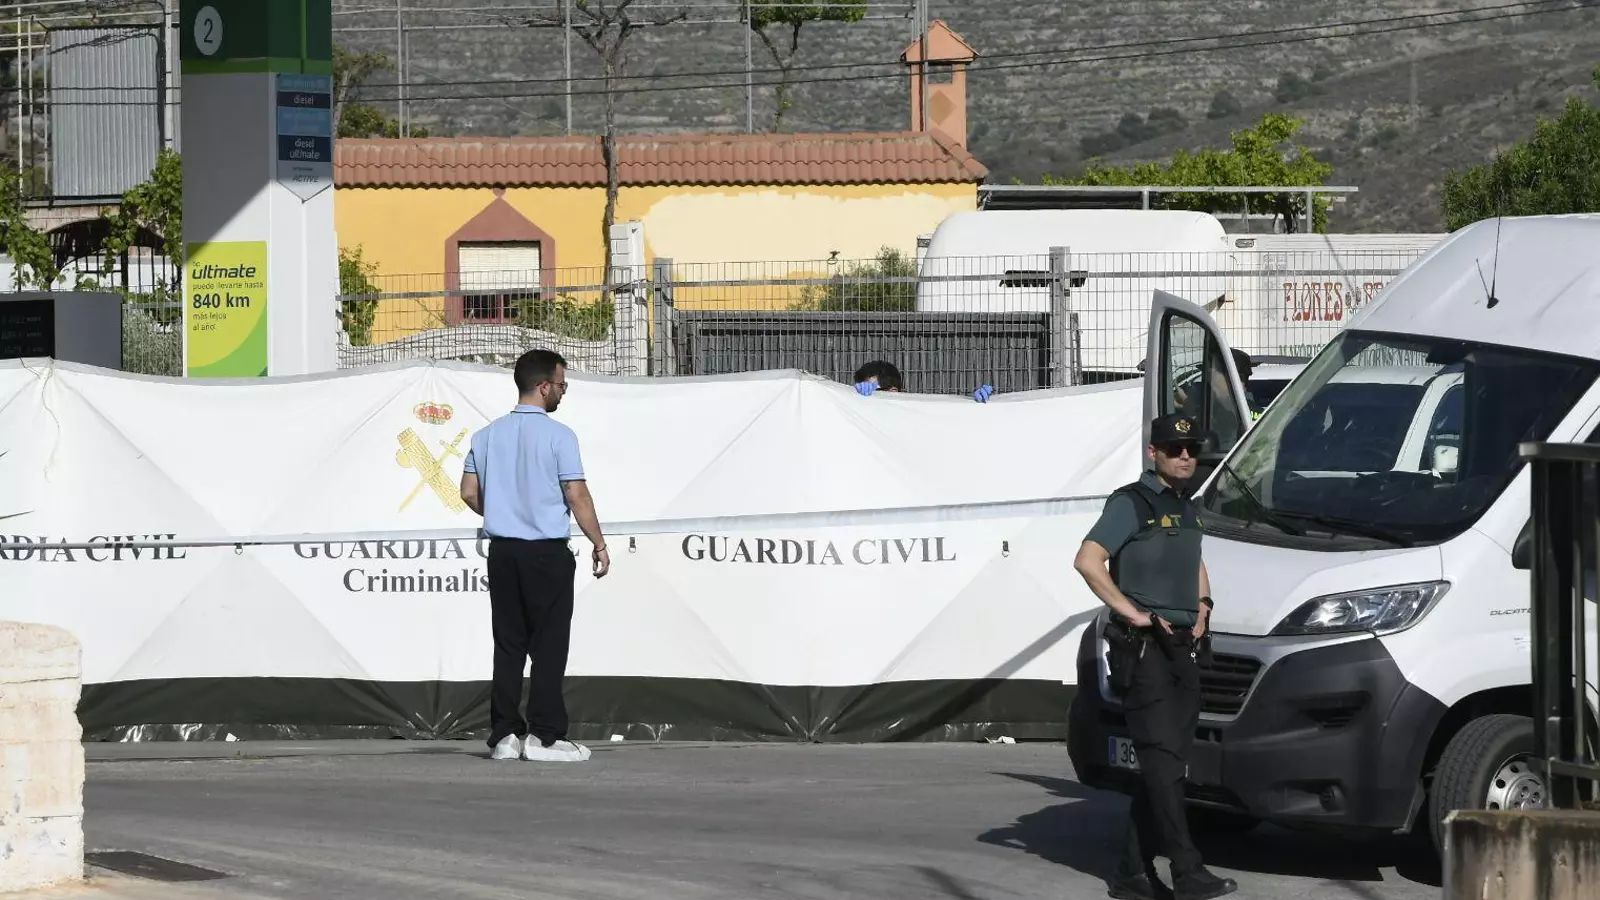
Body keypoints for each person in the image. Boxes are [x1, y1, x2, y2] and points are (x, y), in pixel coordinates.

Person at [1073, 413, 1238, 900]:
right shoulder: (1133, 503)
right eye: (1174, 448)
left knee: (1166, 764)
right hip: (1144, 649)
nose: (1185, 456)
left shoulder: (1190, 506)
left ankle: (1130, 875)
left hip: (1183, 646)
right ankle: (1188, 871)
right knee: (1164, 765)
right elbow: (1087, 559)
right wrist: (1132, 612)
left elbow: (1195, 558)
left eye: (1191, 449)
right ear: (1153, 453)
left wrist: (1203, 605)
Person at [459, 349, 610, 764]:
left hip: (503, 553)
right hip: (546, 553)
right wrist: (598, 542)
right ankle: (544, 737)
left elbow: (469, 492)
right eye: (561, 385)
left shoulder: (485, 436)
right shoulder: (560, 436)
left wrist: (503, 510)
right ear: (544, 386)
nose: (563, 393)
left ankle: (505, 735)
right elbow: (575, 495)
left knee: (508, 644)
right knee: (548, 646)